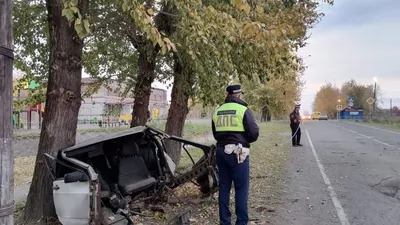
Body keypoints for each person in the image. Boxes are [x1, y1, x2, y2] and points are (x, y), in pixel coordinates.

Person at [212, 84, 259, 225]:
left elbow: (216, 134)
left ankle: (224, 221)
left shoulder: (218, 111)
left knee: (224, 186)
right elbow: (254, 133)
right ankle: (242, 222)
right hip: (238, 153)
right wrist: (243, 139)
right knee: (241, 188)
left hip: (221, 152)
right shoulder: (243, 110)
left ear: (228, 95)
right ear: (238, 95)